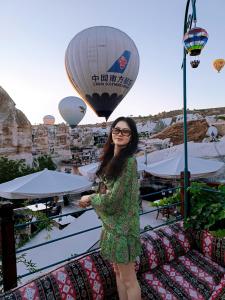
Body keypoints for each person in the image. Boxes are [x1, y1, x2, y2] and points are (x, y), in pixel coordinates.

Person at [79, 117, 142, 300]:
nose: (120, 134)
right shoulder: (112, 157)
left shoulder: (128, 162)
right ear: (111, 132)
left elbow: (114, 199)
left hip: (123, 228)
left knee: (129, 279)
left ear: (132, 137)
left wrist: (90, 197)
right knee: (118, 273)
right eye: (116, 130)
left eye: (125, 131)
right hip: (112, 225)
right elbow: (109, 188)